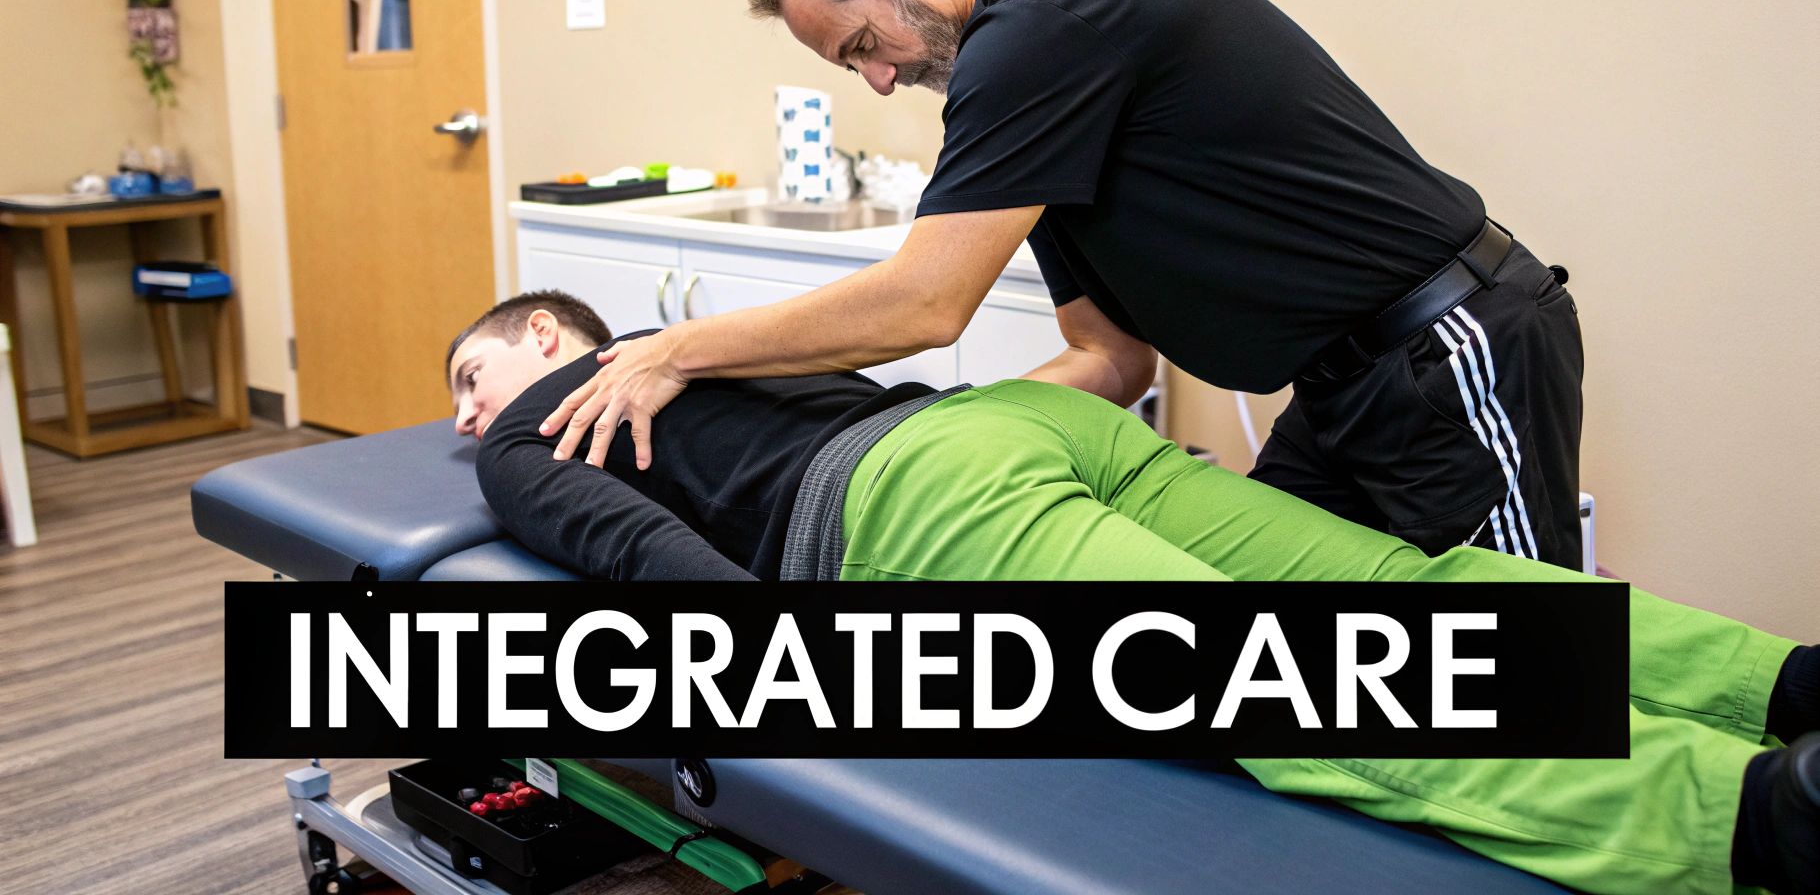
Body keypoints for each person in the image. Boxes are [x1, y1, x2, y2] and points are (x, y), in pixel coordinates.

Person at [449, 290, 1818, 895]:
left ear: (547, 339)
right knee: (1408, 589)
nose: (461, 421)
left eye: (469, 377)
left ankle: (1756, 821)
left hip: (922, 511)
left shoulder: (528, 432)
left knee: (1300, 681)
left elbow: (651, 569)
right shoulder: (705, 344)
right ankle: (1779, 687)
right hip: (1030, 432)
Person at [538, 0, 1588, 570]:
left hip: (1447, 348)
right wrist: (932, 437)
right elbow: (1109, 355)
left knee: (1528, 672)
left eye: (860, 44)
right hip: (1341, 381)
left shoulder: (1043, 23)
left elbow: (924, 302)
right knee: (1279, 640)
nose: (876, 81)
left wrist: (678, 349)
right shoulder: (1019, 83)